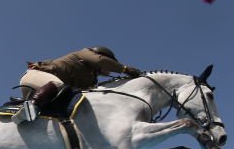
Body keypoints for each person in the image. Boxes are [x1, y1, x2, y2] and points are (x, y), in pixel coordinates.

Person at [14, 46, 142, 123]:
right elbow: (101, 61)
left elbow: (89, 93)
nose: (108, 71)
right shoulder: (84, 54)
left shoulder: (91, 79)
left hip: (47, 90)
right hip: (35, 77)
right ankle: (29, 109)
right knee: (58, 84)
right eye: (108, 65)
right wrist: (125, 69)